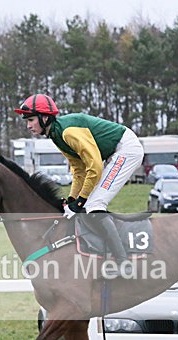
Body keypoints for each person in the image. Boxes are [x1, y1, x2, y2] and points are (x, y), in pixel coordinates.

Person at [13, 94, 143, 265]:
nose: (28, 126)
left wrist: (80, 202)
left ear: (44, 117)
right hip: (115, 153)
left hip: (126, 150)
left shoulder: (68, 132)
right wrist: (72, 200)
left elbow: (94, 167)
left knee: (94, 205)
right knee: (89, 205)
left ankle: (122, 261)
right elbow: (78, 170)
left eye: (30, 120)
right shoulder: (56, 134)